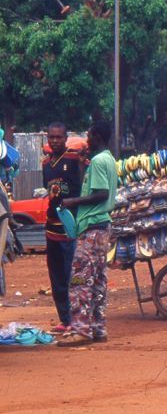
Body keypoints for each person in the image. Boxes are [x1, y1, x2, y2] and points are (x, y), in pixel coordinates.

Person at [57, 121, 117, 347]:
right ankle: (97, 327)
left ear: (97, 137)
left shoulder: (100, 161)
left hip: (91, 228)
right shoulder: (107, 159)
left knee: (80, 279)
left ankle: (81, 329)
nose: (86, 139)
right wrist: (83, 164)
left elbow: (101, 193)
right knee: (98, 280)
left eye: (89, 136)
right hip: (102, 226)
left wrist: (73, 201)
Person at [42, 122, 86, 334]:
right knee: (56, 277)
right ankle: (64, 319)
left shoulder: (73, 159)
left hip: (71, 228)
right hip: (52, 228)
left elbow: (83, 186)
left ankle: (78, 320)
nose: (55, 141)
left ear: (65, 137)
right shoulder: (45, 164)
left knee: (74, 277)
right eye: (51, 137)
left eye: (58, 137)